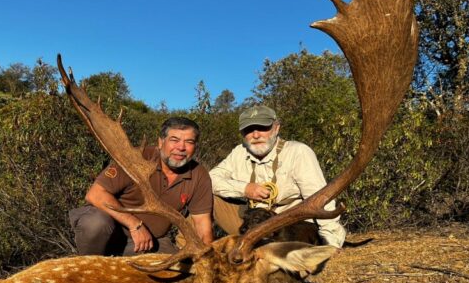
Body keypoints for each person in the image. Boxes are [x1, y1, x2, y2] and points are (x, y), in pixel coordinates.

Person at [70, 117, 214, 256]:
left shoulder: (199, 175)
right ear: (160, 142)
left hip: (149, 243)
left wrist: (207, 259)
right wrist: (134, 224)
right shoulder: (137, 158)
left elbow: (202, 224)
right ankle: (88, 268)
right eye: (174, 140)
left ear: (195, 146)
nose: (181, 147)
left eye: (189, 142)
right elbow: (95, 194)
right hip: (109, 234)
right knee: (95, 224)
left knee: (175, 267)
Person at [210, 105, 346, 247]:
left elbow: (321, 200)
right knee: (204, 196)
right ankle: (199, 257)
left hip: (289, 225)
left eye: (263, 128)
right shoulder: (239, 152)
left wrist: (331, 242)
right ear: (242, 134)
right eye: (249, 130)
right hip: (252, 221)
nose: (256, 135)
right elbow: (211, 179)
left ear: (276, 128)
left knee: (279, 247)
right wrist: (245, 189)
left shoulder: (298, 152)